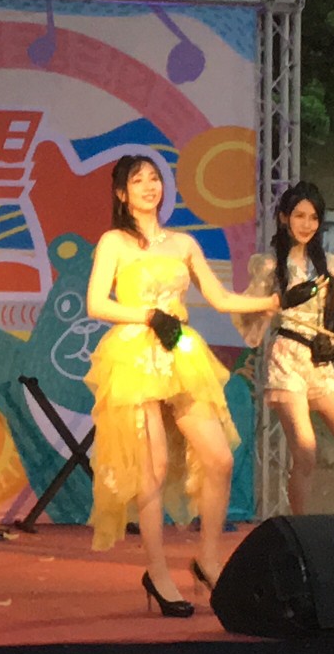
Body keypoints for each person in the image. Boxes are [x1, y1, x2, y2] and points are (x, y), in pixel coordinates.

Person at [84, 154, 279, 617]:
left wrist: (270, 301)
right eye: (138, 180)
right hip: (134, 357)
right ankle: (158, 573)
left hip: (181, 353)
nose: (149, 186)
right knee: (152, 468)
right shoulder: (113, 241)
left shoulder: (183, 243)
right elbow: (96, 304)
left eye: (155, 178)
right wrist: (148, 315)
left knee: (219, 458)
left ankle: (208, 559)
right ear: (121, 194)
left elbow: (220, 298)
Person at [234, 181, 334, 516]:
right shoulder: (269, 264)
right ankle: (301, 529)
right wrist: (277, 301)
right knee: (306, 451)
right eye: (299, 215)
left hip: (321, 363)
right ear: (284, 217)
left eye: (313, 217)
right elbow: (247, 315)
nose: (306, 224)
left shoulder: (331, 263)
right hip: (286, 360)